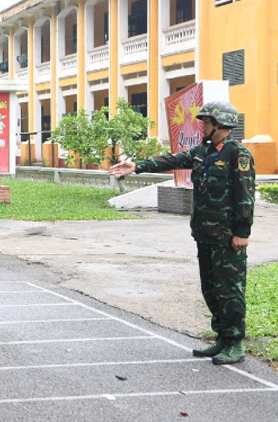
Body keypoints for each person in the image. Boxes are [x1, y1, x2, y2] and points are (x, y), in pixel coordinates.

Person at [108, 100, 255, 365]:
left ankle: (235, 343)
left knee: (230, 290)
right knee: (210, 288)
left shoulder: (238, 154)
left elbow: (244, 196)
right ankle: (222, 337)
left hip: (227, 236)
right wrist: (137, 166)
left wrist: (241, 232)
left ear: (221, 124)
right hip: (204, 233)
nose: (203, 125)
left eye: (207, 121)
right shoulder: (204, 151)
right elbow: (172, 159)